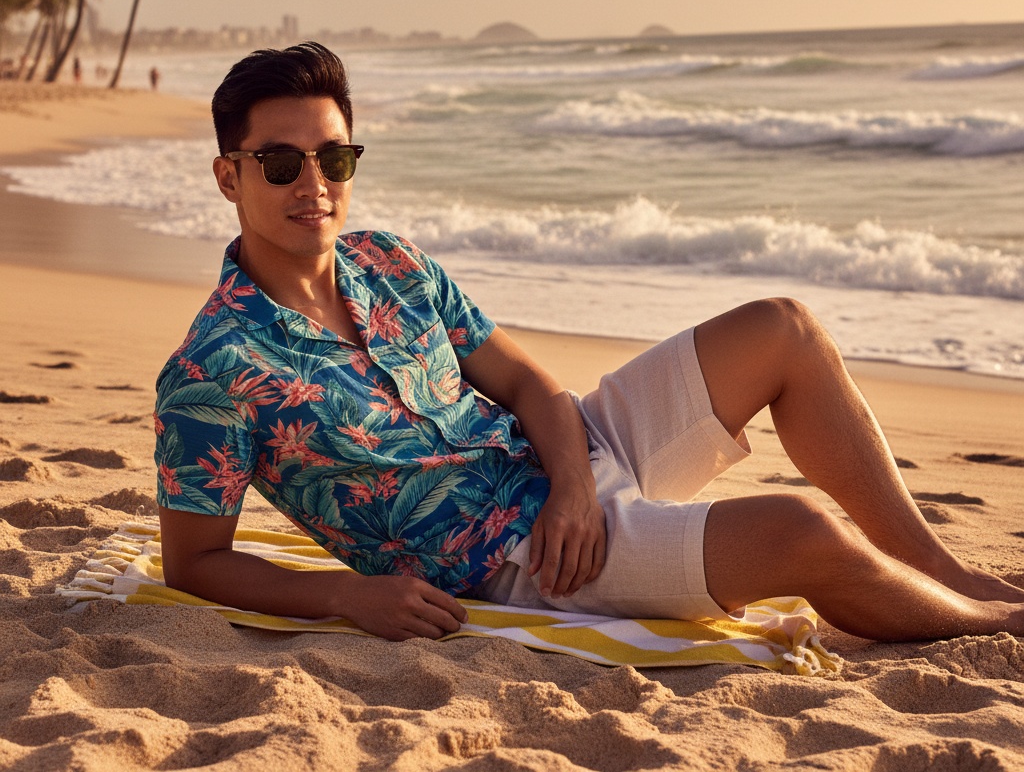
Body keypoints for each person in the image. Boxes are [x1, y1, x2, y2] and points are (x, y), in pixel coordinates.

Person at [154, 42, 1024, 644]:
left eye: (334, 160)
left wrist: (572, 481)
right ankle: (993, 625)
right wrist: (345, 594)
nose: (314, 185)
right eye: (281, 163)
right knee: (800, 530)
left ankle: (943, 570)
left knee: (783, 327)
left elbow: (530, 385)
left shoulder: (394, 264)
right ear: (229, 175)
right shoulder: (212, 370)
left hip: (575, 459)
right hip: (526, 560)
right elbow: (195, 562)